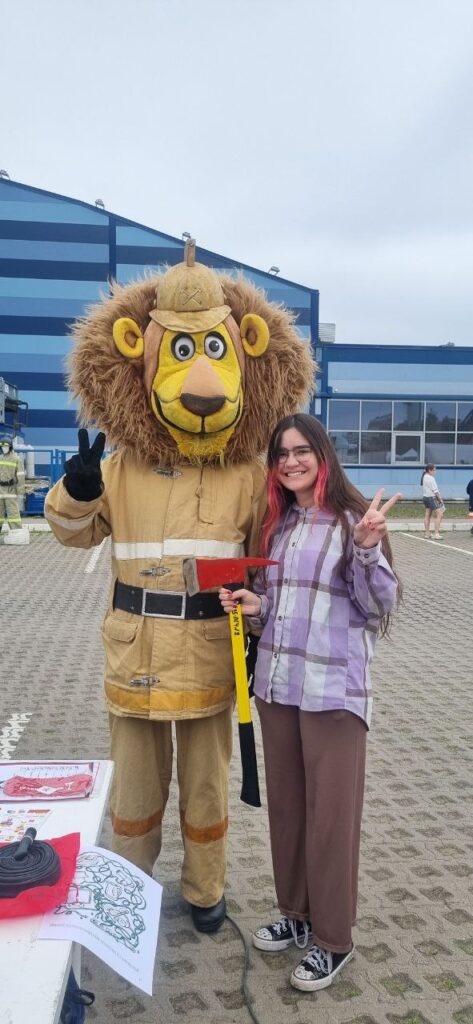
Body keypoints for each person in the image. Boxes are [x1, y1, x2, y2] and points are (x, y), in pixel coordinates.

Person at [44, 243, 314, 934]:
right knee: (135, 789)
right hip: (134, 649)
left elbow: (273, 554)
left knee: (205, 785)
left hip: (208, 649)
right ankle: (129, 891)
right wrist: (77, 492)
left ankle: (205, 889)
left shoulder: (247, 474)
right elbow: (73, 533)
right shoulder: (121, 466)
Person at [219, 413, 400, 991]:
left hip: (333, 695)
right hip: (279, 688)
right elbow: (283, 606)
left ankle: (333, 939)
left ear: (323, 455)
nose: (291, 461)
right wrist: (255, 606)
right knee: (290, 812)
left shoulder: (353, 521)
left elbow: (378, 607)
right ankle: (296, 915)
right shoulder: (280, 524)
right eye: (281, 453)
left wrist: (367, 550)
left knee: (331, 822)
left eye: (302, 451)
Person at [0, 436, 25, 532]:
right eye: (2, 446)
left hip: (11, 490)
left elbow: (20, 476)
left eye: (6, 446)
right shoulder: (0, 458)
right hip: (0, 490)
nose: (4, 448)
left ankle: (17, 532)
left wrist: (20, 491)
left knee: (13, 514)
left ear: (10, 447)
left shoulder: (16, 459)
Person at [421, 464, 444, 540]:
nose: (435, 472)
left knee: (427, 515)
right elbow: (435, 491)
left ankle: (427, 533)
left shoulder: (424, 476)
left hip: (425, 497)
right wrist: (440, 499)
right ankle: (436, 534)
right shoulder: (431, 478)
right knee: (440, 514)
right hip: (431, 498)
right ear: (429, 470)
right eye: (434, 470)